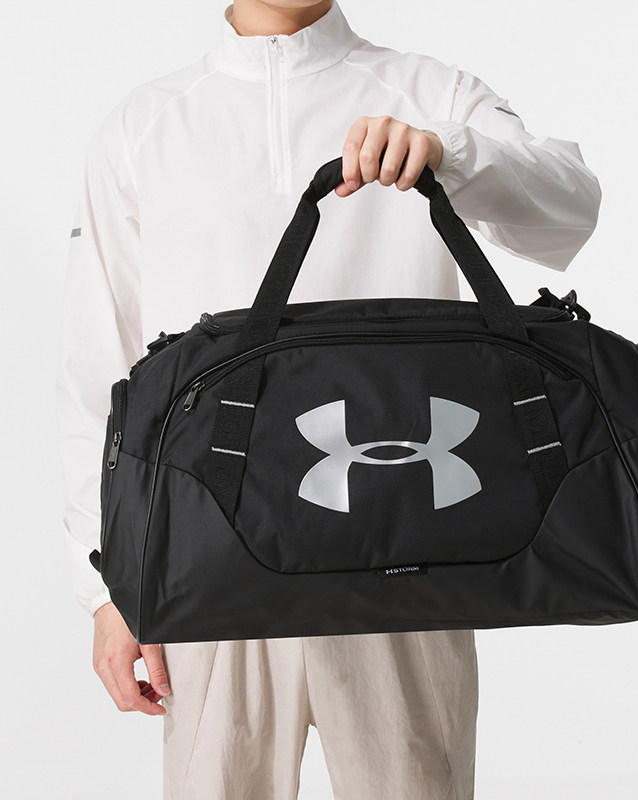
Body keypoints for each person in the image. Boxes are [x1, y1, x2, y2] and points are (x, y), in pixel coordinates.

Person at [55, 1, 601, 797]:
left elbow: (571, 205)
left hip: (407, 556)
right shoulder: (144, 127)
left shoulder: (428, 92)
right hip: (211, 558)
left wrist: (449, 153)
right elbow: (100, 366)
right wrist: (107, 582)